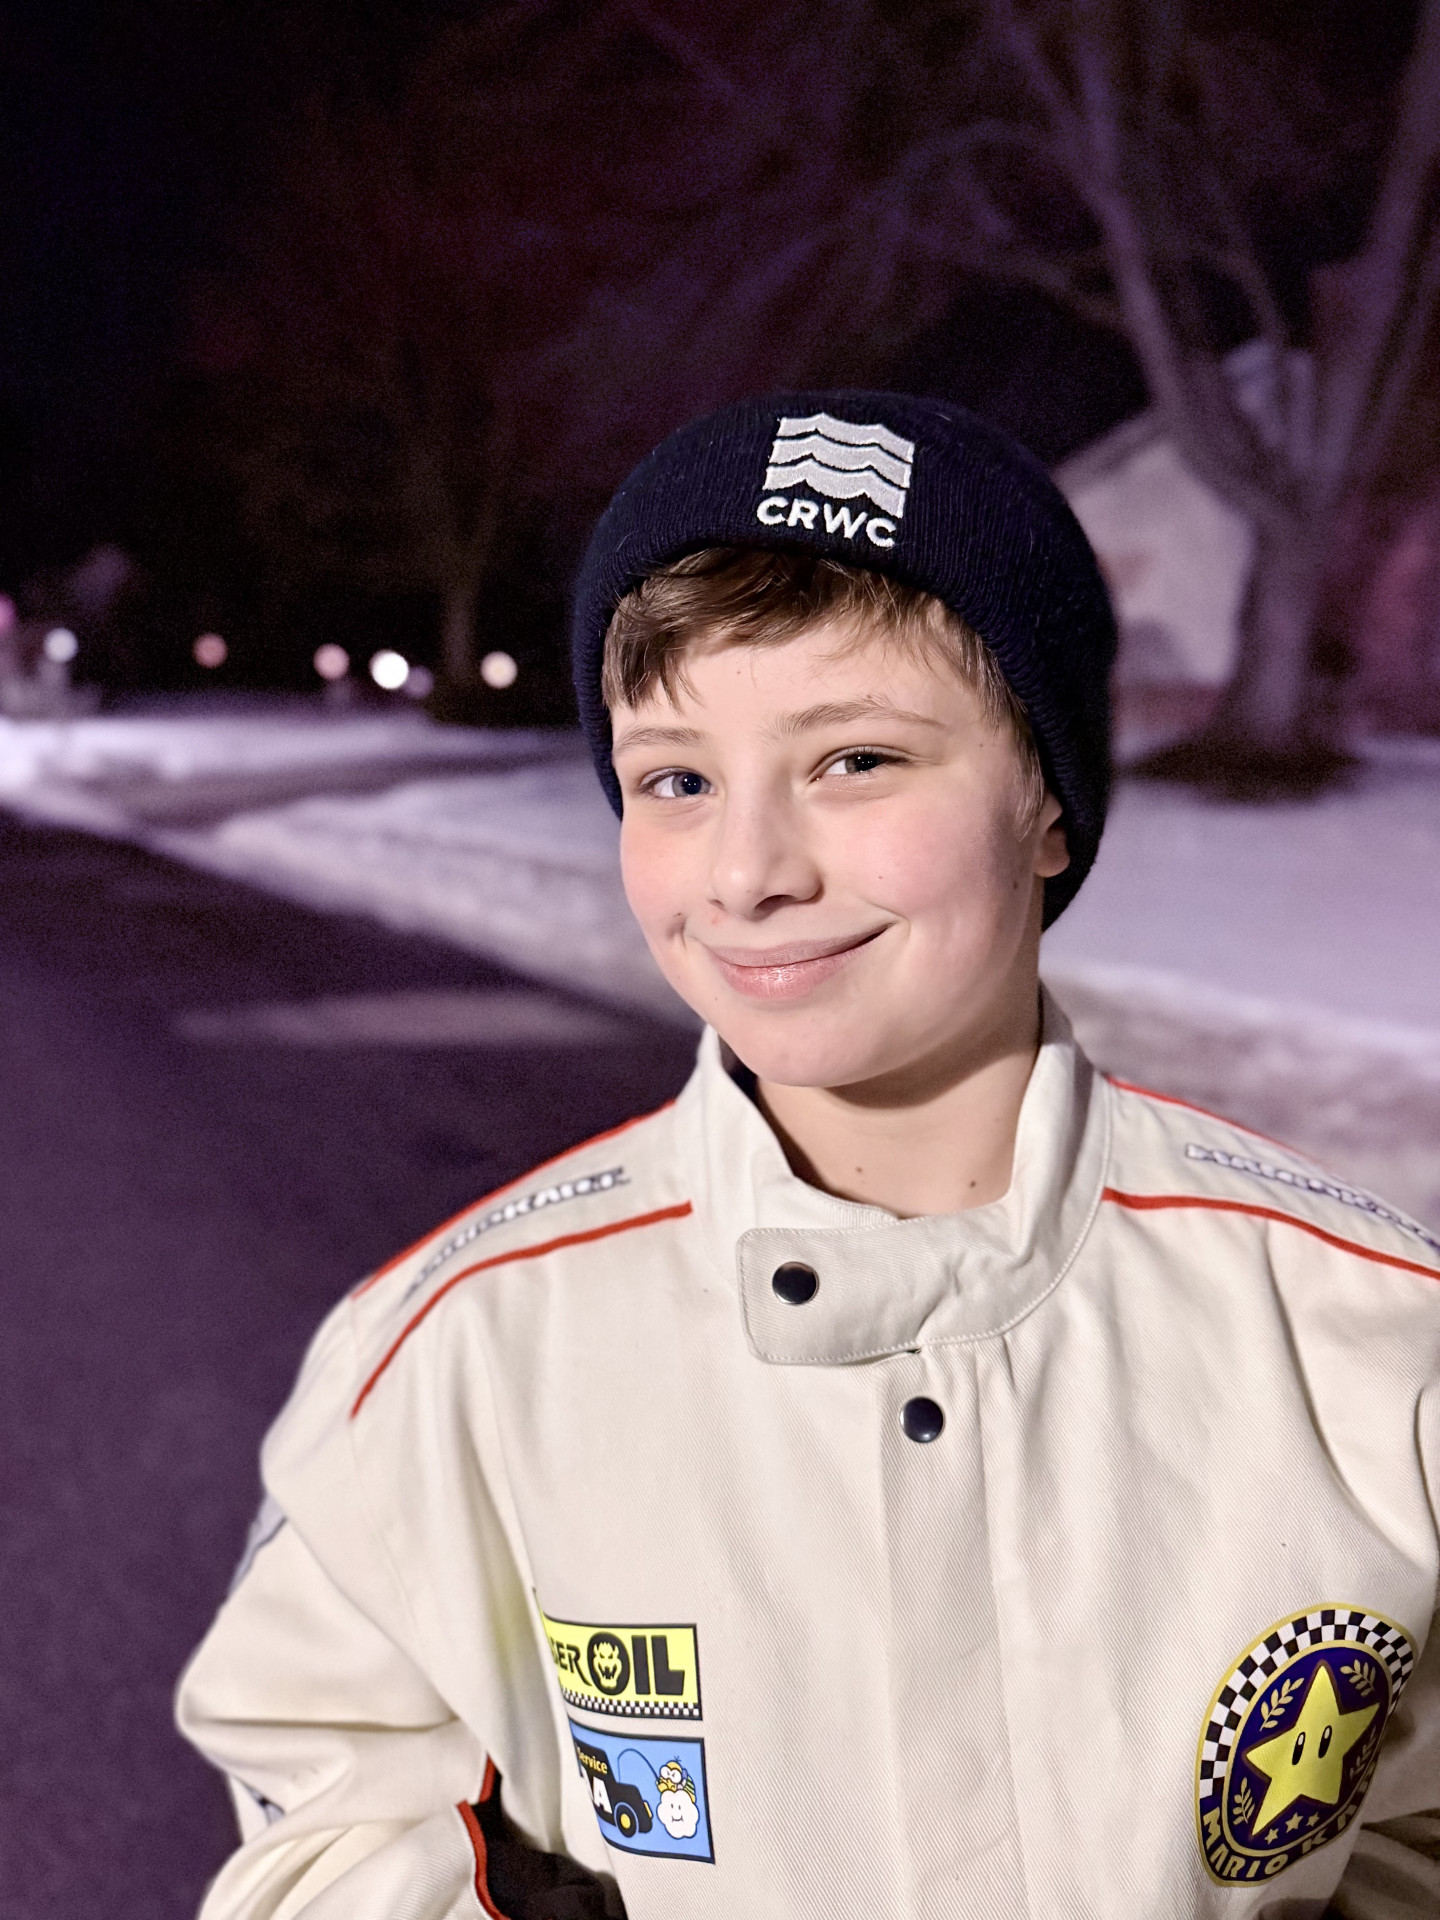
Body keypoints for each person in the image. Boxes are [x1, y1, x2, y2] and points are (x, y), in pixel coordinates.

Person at [177, 394, 1440, 1919]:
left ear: (1045, 802)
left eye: (855, 760)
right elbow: (323, 1813)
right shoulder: (456, 1359)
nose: (749, 872)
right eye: (677, 780)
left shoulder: (1374, 1341)